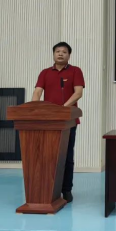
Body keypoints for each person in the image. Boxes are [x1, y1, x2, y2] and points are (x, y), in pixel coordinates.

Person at [32, 42, 85, 203]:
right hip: (48, 121)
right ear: (53, 54)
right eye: (57, 51)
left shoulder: (75, 71)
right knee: (48, 156)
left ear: (69, 55)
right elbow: (37, 92)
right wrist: (34, 108)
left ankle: (66, 189)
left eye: (64, 52)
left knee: (66, 156)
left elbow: (78, 93)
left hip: (68, 121)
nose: (60, 54)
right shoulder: (45, 72)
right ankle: (48, 188)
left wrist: (62, 109)